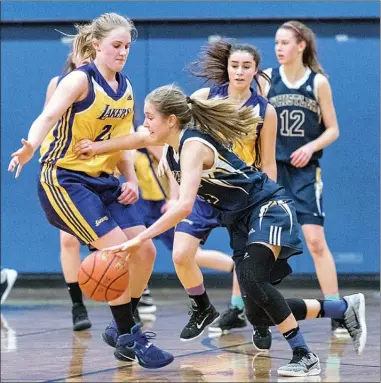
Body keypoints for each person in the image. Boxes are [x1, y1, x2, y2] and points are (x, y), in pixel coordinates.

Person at [73, 84, 366, 377]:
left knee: (253, 280)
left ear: (171, 120)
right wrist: (96, 147)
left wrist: (137, 239)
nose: (145, 123)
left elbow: (184, 206)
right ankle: (342, 309)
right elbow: (135, 139)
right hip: (240, 220)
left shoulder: (193, 146)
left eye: (150, 117)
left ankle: (304, 354)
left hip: (267, 207)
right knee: (255, 310)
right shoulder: (173, 147)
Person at [8, 13, 173, 369]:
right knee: (115, 251)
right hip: (65, 178)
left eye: (128, 46)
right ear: (96, 44)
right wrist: (30, 146)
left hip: (105, 180)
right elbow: (48, 115)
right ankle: (131, 336)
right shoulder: (79, 81)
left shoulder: (125, 88)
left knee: (144, 252)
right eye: (116, 45)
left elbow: (123, 140)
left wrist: (129, 179)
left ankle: (120, 325)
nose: (123, 52)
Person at [184, 38, 277, 349]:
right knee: (181, 254)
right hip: (205, 189)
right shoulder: (204, 98)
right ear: (227, 67)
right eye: (234, 65)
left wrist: (270, 200)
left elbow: (267, 161)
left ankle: (258, 321)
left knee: (249, 267)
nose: (239, 71)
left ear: (255, 71)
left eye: (246, 66)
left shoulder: (265, 110)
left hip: (243, 193)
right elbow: (178, 136)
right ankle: (201, 307)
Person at [258, 20, 346, 338]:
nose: (278, 48)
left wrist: (310, 147)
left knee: (315, 241)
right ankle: (243, 308)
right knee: (261, 243)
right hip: (273, 170)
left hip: (305, 172)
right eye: (276, 42)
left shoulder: (318, 82)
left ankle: (337, 310)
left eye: (284, 42)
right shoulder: (267, 78)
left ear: (301, 46)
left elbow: (333, 129)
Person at [43, 39, 93, 331]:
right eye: (80, 51)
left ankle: (129, 305)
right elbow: (48, 122)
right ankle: (77, 304)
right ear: (72, 55)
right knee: (68, 239)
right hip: (67, 169)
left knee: (110, 244)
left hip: (99, 169)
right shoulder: (58, 84)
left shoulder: (111, 85)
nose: (85, 57)